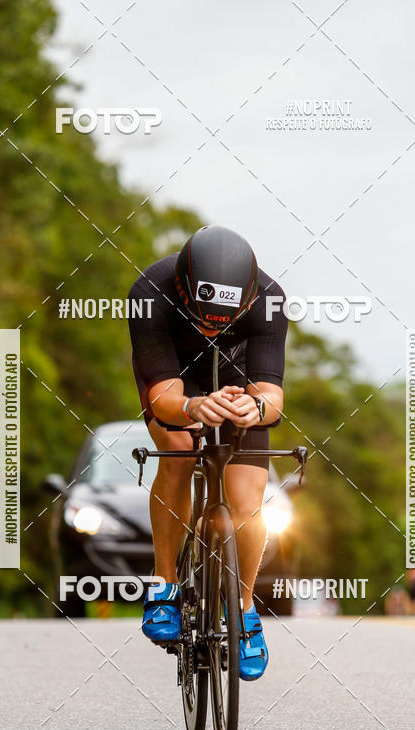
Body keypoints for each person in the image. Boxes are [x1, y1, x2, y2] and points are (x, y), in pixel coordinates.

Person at [128, 225, 288, 680]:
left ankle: (243, 607)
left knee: (246, 503)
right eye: (203, 317)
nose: (212, 328)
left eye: (224, 319)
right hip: (178, 377)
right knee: (178, 448)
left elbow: (272, 397)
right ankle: (164, 584)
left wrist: (253, 407)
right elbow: (162, 398)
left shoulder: (269, 300)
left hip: (238, 379)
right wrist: (193, 407)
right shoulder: (149, 293)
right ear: (182, 289)